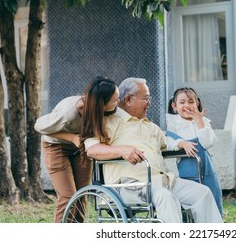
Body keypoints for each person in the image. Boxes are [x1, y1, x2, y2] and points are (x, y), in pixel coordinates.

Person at [83, 77, 223, 223]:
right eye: (146, 98)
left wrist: (181, 142)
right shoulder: (108, 121)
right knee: (165, 197)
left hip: (161, 181)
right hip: (129, 186)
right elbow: (92, 149)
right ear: (129, 99)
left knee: (203, 193)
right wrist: (122, 150)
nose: (149, 102)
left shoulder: (149, 126)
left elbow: (167, 142)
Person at [34, 76, 119, 222]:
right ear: (101, 103)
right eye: (116, 99)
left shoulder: (104, 110)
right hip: (57, 147)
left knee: (81, 195)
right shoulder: (69, 112)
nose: (119, 101)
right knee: (68, 197)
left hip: (82, 147)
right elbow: (39, 126)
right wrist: (72, 138)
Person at [166, 87, 223, 217]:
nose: (187, 105)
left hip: (207, 173)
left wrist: (199, 121)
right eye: (182, 102)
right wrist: (181, 143)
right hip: (188, 176)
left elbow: (208, 142)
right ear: (174, 106)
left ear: (197, 103)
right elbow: (168, 143)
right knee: (192, 206)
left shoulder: (203, 122)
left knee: (212, 200)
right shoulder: (173, 124)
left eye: (191, 102)